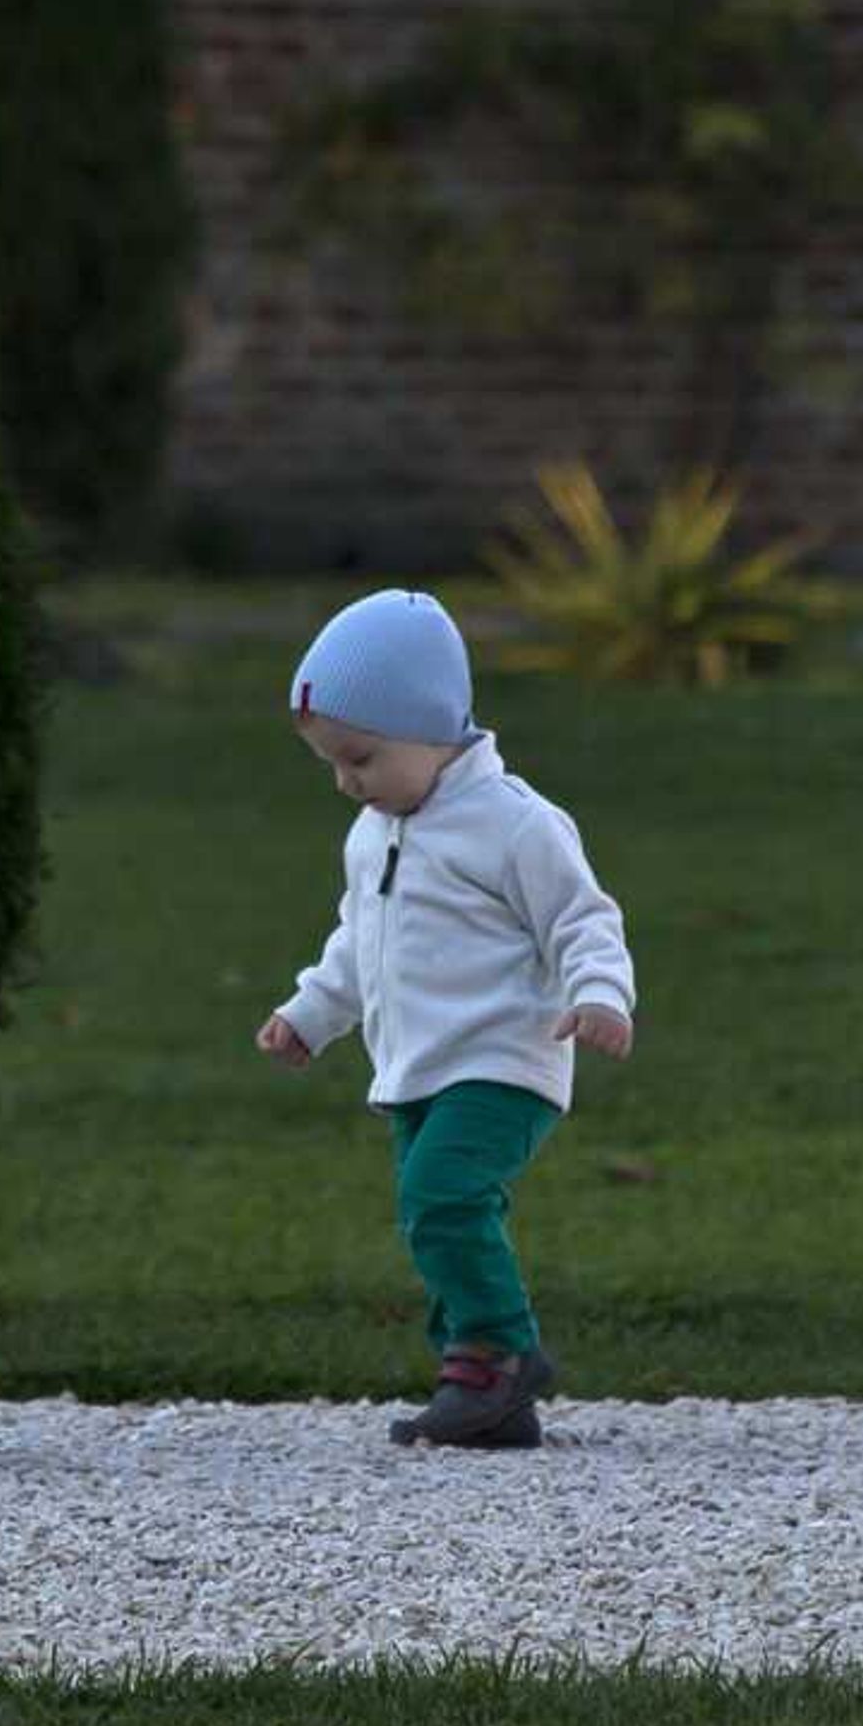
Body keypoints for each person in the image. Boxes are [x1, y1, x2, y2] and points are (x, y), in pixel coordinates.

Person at [253, 588, 640, 1449]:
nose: (348, 782)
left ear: (433, 729)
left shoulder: (513, 825)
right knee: (431, 1210)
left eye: (362, 758)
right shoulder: (374, 831)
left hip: (504, 1060)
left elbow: (583, 918)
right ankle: (481, 1387)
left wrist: (601, 995)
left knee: (443, 1196)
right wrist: (311, 1012)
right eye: (334, 767)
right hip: (416, 1067)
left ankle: (501, 1353)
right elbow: (360, 939)